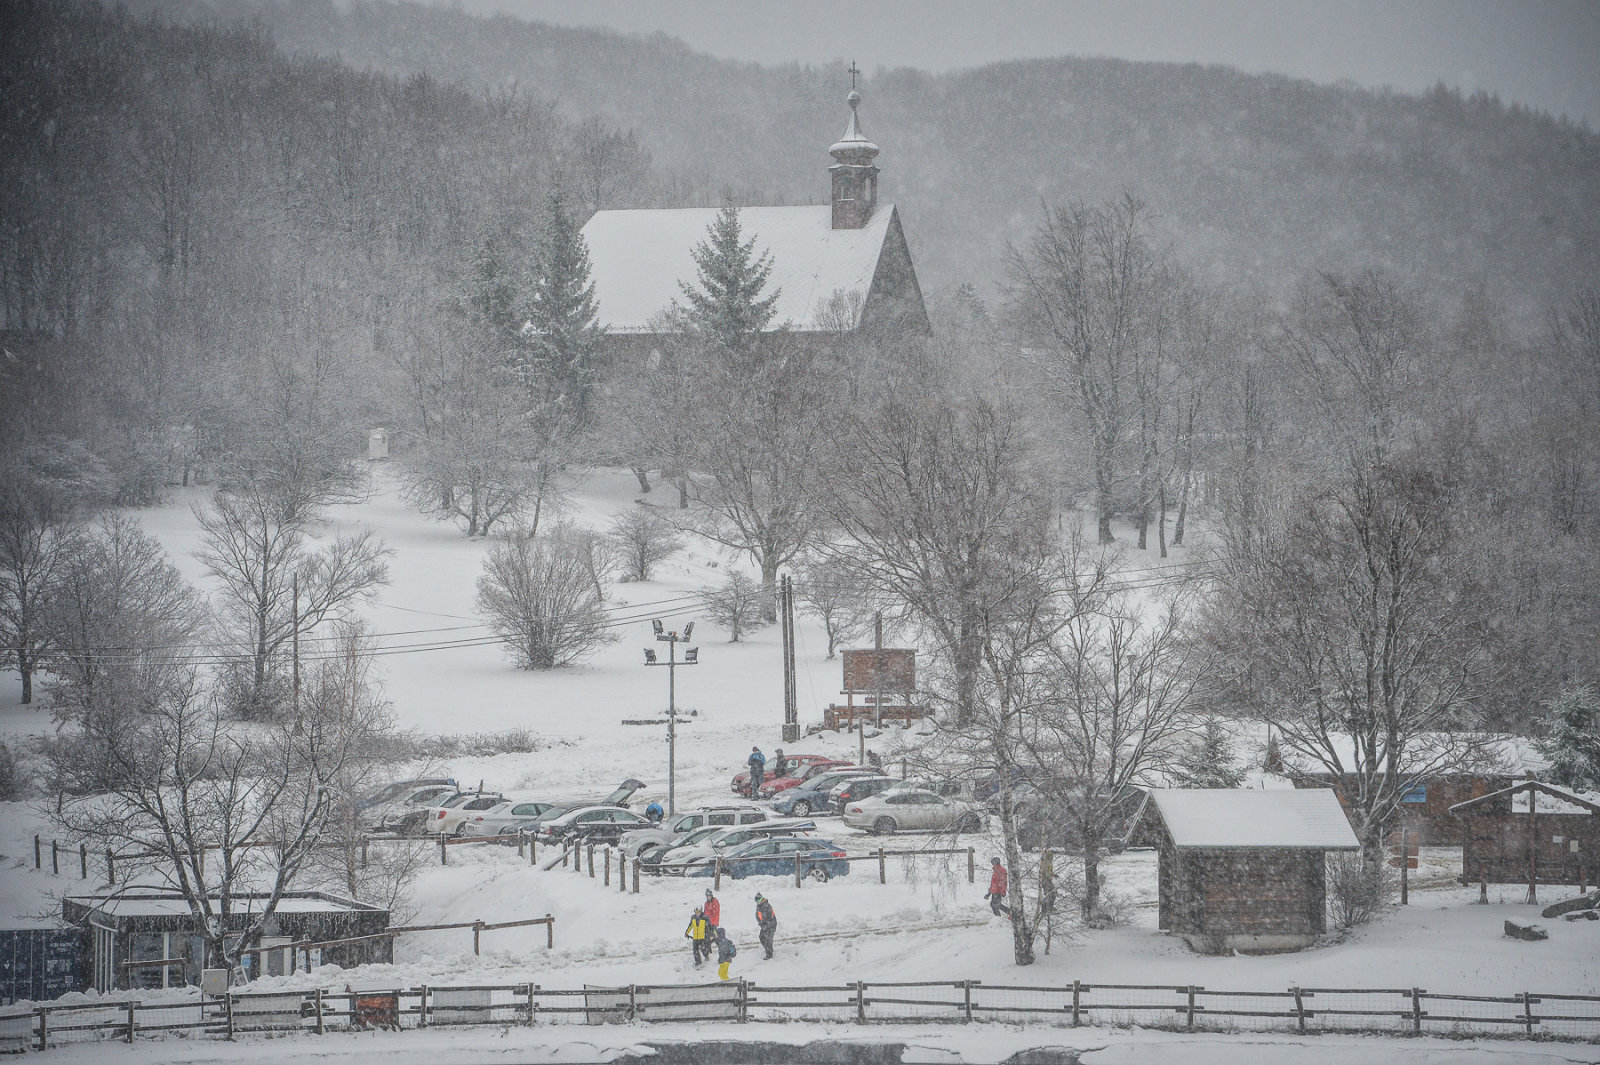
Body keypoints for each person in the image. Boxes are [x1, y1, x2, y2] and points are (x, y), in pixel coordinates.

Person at [754, 892, 778, 959]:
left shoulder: (767, 906)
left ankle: (769, 954)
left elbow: (771, 918)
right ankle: (768, 949)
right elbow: (758, 916)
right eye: (756, 901)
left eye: (758, 900)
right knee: (761, 937)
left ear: (761, 899)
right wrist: (760, 923)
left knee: (768, 939)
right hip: (764, 926)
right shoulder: (758, 907)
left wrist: (766, 925)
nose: (757, 902)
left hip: (771, 925)